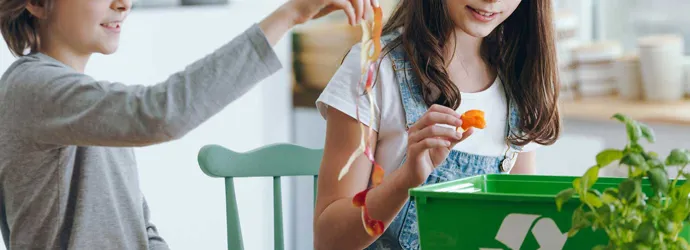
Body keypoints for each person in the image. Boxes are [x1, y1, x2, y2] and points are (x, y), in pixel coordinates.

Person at [0, 0, 376, 249]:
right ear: (34, 2)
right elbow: (161, 113)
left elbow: (138, 228)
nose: (123, 3)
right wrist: (290, 15)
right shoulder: (30, 90)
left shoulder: (82, 103)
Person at [313, 0, 561, 249]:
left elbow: (517, 229)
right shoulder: (374, 69)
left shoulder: (521, 82)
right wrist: (405, 180)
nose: (493, 0)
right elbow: (328, 241)